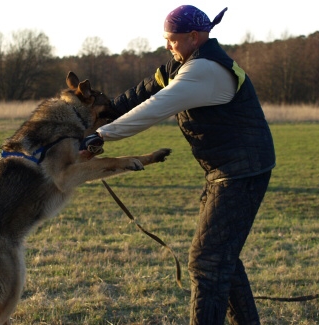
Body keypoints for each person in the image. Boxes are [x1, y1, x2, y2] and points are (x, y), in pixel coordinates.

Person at [80, 5, 275, 325]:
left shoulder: (204, 71)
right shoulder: (184, 63)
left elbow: (156, 107)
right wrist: (107, 111)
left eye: (171, 39)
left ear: (194, 37)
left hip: (241, 172)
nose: (167, 45)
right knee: (222, 259)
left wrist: (100, 136)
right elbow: (144, 91)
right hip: (226, 170)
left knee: (207, 263)